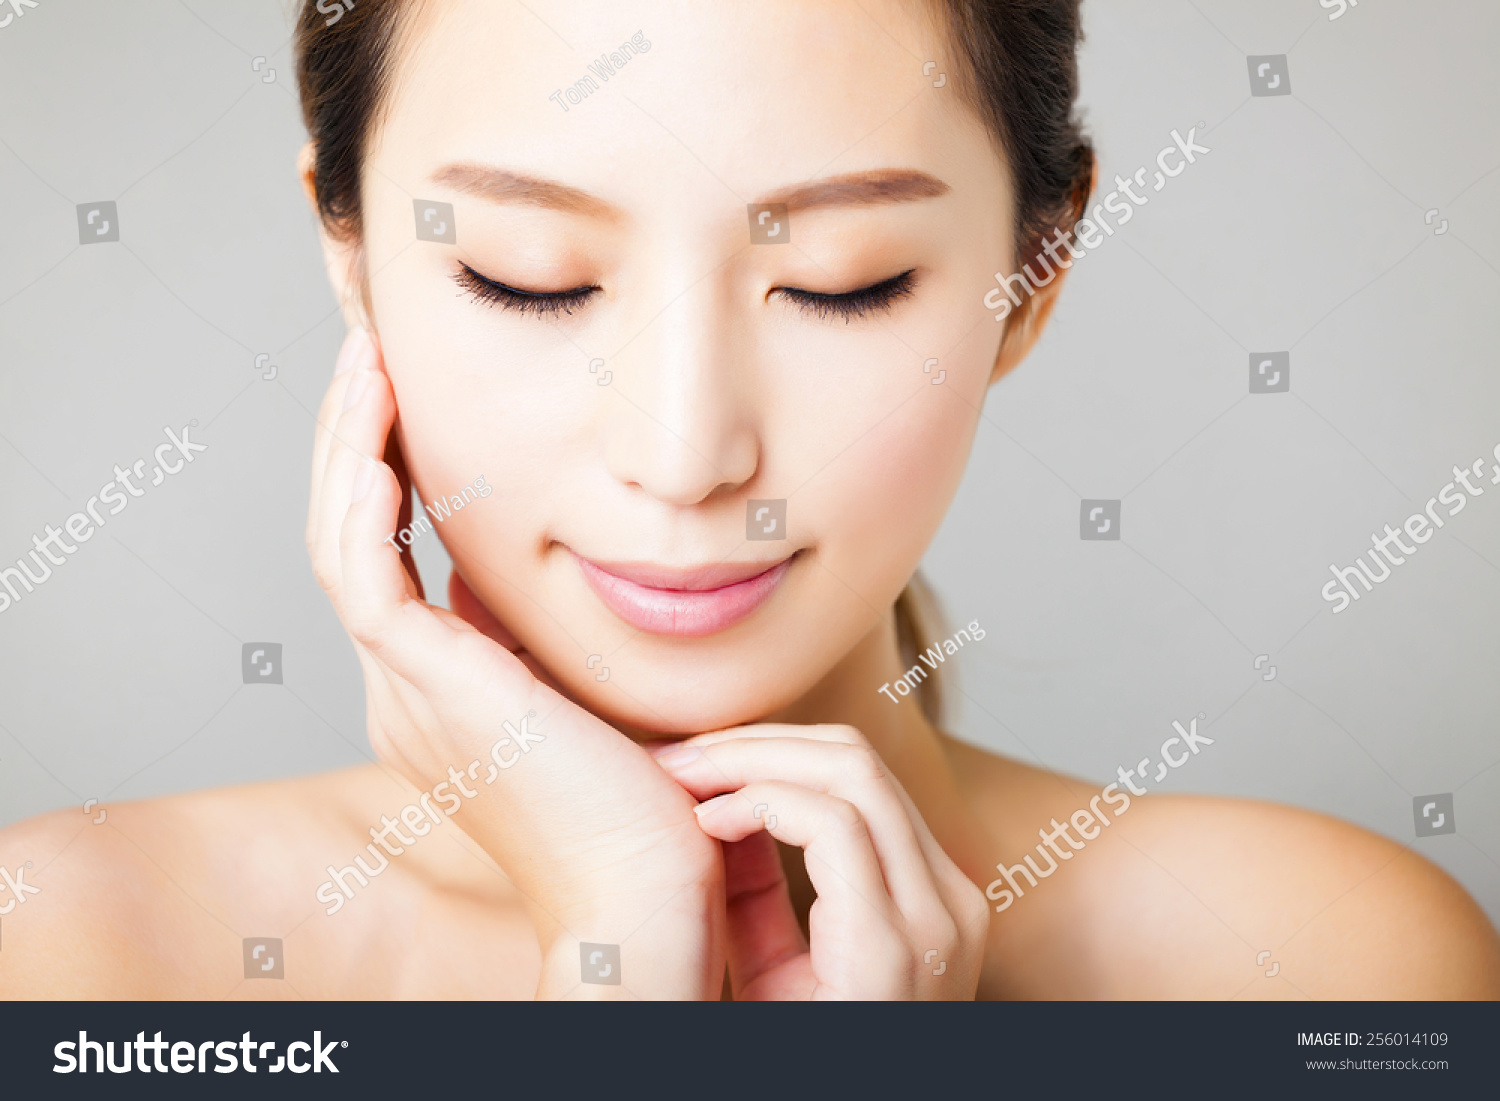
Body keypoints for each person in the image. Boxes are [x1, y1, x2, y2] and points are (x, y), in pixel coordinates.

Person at [2, 0, 1496, 1000]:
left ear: (1034, 272)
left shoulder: (1328, 965)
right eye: (530, 275)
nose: (684, 448)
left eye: (847, 287)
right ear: (354, 253)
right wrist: (614, 954)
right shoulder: (78, 952)